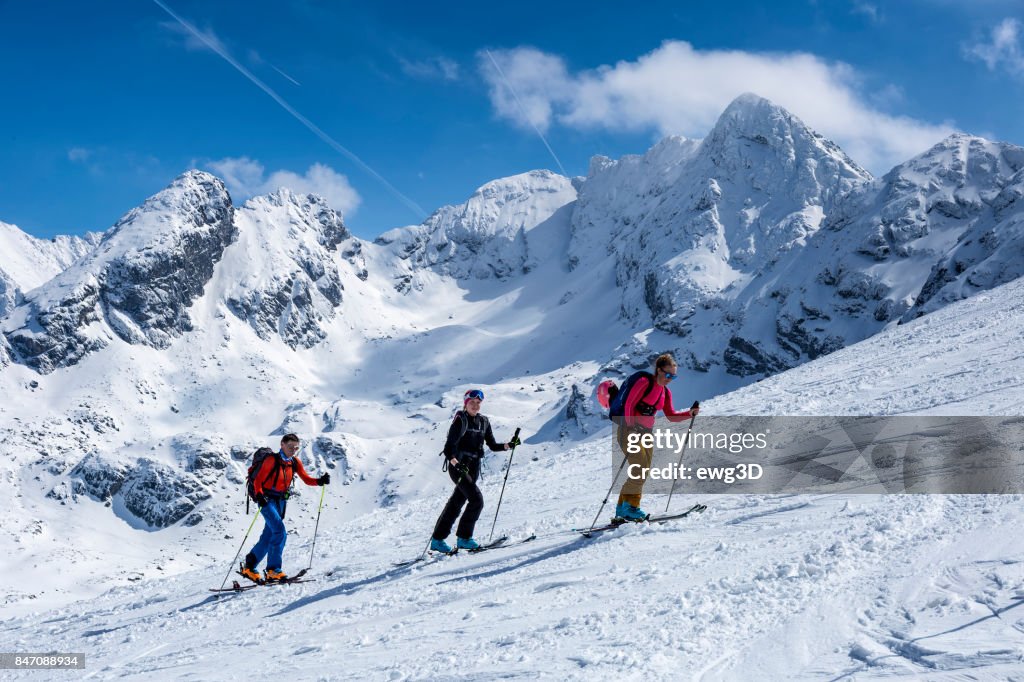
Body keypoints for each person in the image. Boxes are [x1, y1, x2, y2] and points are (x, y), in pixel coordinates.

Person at [430, 389, 520, 552]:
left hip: (473, 466)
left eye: (478, 403)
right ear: (466, 403)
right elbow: (448, 449)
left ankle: (437, 540)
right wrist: (457, 464)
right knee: (476, 500)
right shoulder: (460, 420)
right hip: (458, 466)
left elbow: (492, 445)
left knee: (457, 502)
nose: (475, 405)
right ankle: (464, 538)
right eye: (472, 402)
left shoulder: (484, 421)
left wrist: (509, 445)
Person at [616, 353, 698, 521]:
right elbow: (630, 404)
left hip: (646, 433)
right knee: (639, 468)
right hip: (629, 430)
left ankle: (621, 510)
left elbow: (671, 415)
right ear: (659, 370)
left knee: (642, 471)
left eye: (673, 377)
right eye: (668, 374)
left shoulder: (665, 393)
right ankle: (631, 508)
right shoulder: (644, 382)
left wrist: (690, 414)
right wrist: (630, 428)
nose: (669, 379)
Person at [240, 433, 330, 582]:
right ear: (282, 444)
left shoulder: (294, 462)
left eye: (296, 448)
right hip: (266, 499)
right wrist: (260, 496)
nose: (293, 450)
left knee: (269, 535)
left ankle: (249, 565)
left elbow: (306, 479)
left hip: (281, 501)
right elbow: (259, 481)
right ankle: (273, 570)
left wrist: (319, 481)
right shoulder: (271, 460)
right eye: (290, 447)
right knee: (280, 532)